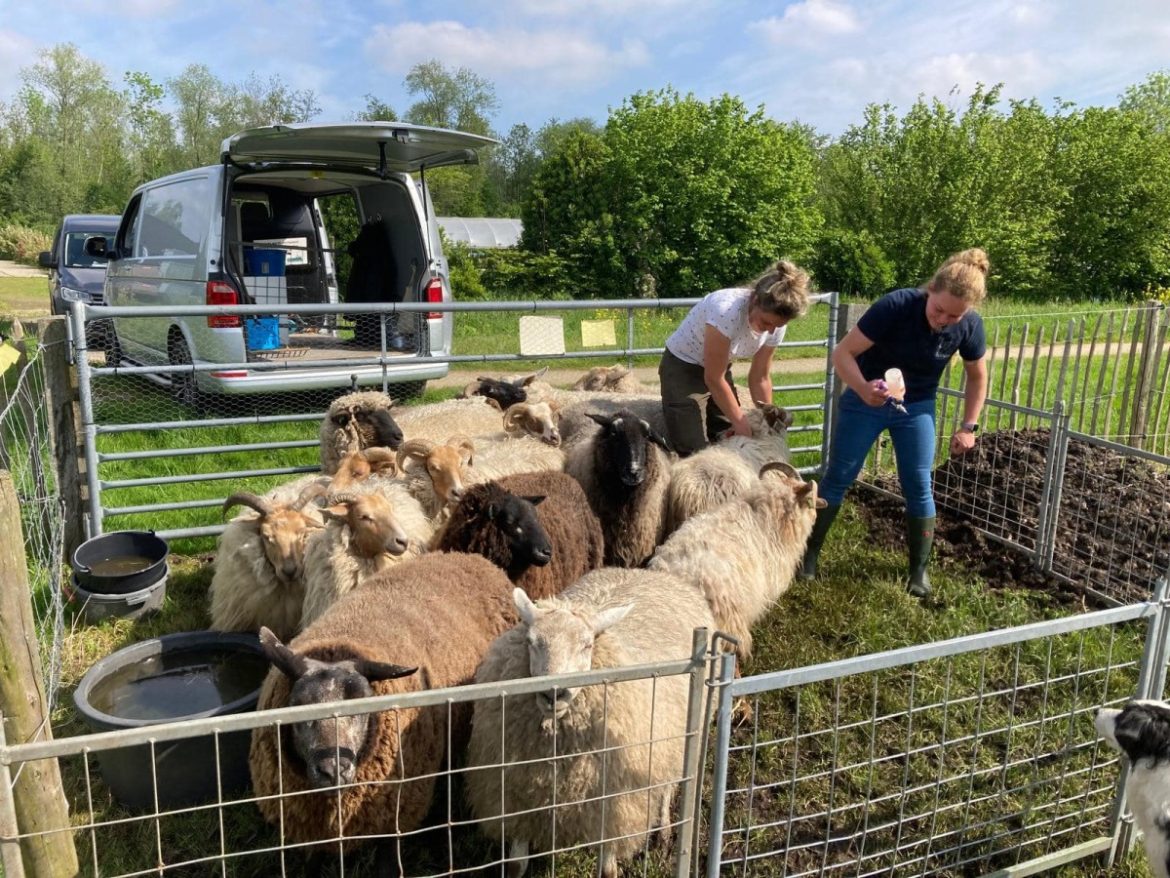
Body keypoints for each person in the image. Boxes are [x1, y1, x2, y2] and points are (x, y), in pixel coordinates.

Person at [800, 248, 990, 599]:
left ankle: (919, 571)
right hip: (865, 400)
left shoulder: (969, 326)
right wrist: (861, 388)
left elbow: (977, 377)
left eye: (955, 315)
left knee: (918, 483)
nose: (944, 319)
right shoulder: (896, 306)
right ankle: (808, 556)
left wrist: (968, 426)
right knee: (839, 475)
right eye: (939, 309)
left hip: (916, 407)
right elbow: (843, 353)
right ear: (930, 289)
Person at [658, 260, 811, 457]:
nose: (771, 329)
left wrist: (769, 418)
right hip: (683, 365)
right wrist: (740, 422)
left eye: (778, 325)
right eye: (766, 322)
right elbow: (713, 378)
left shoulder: (776, 325)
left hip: (719, 367)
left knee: (731, 436)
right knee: (693, 447)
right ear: (754, 300)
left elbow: (760, 377)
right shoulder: (726, 310)